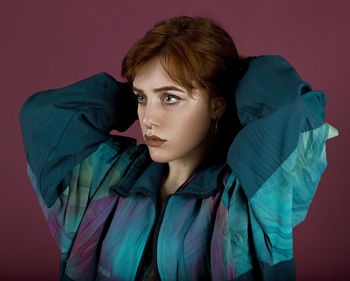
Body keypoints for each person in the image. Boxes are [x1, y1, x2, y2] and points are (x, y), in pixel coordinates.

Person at [18, 16, 338, 281]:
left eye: (170, 98)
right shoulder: (107, 178)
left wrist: (232, 73)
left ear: (216, 105)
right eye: (141, 98)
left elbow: (290, 107)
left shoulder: (248, 193)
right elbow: (45, 117)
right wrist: (134, 96)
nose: (148, 119)